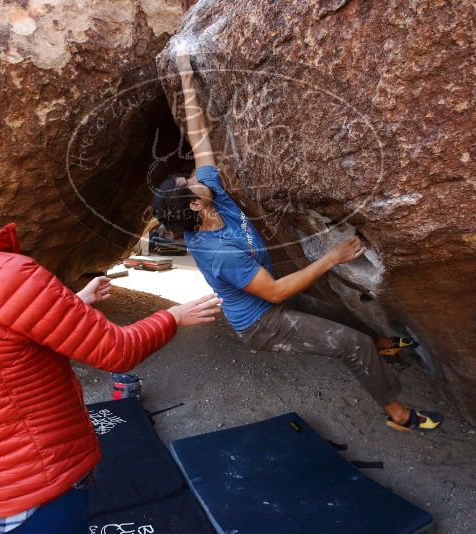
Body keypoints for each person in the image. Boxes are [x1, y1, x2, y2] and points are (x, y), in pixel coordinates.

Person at [0, 135, 222, 534]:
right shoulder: (7, 275)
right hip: (41, 481)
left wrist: (69, 304)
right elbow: (115, 351)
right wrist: (174, 316)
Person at [153, 42, 443, 433]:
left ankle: (381, 348)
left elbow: (199, 138)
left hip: (272, 296)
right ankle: (399, 415)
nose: (193, 176)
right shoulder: (219, 251)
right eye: (188, 182)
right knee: (349, 344)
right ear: (193, 206)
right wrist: (332, 258)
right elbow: (272, 292)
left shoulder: (211, 196)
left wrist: (187, 79)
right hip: (261, 321)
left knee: (342, 315)